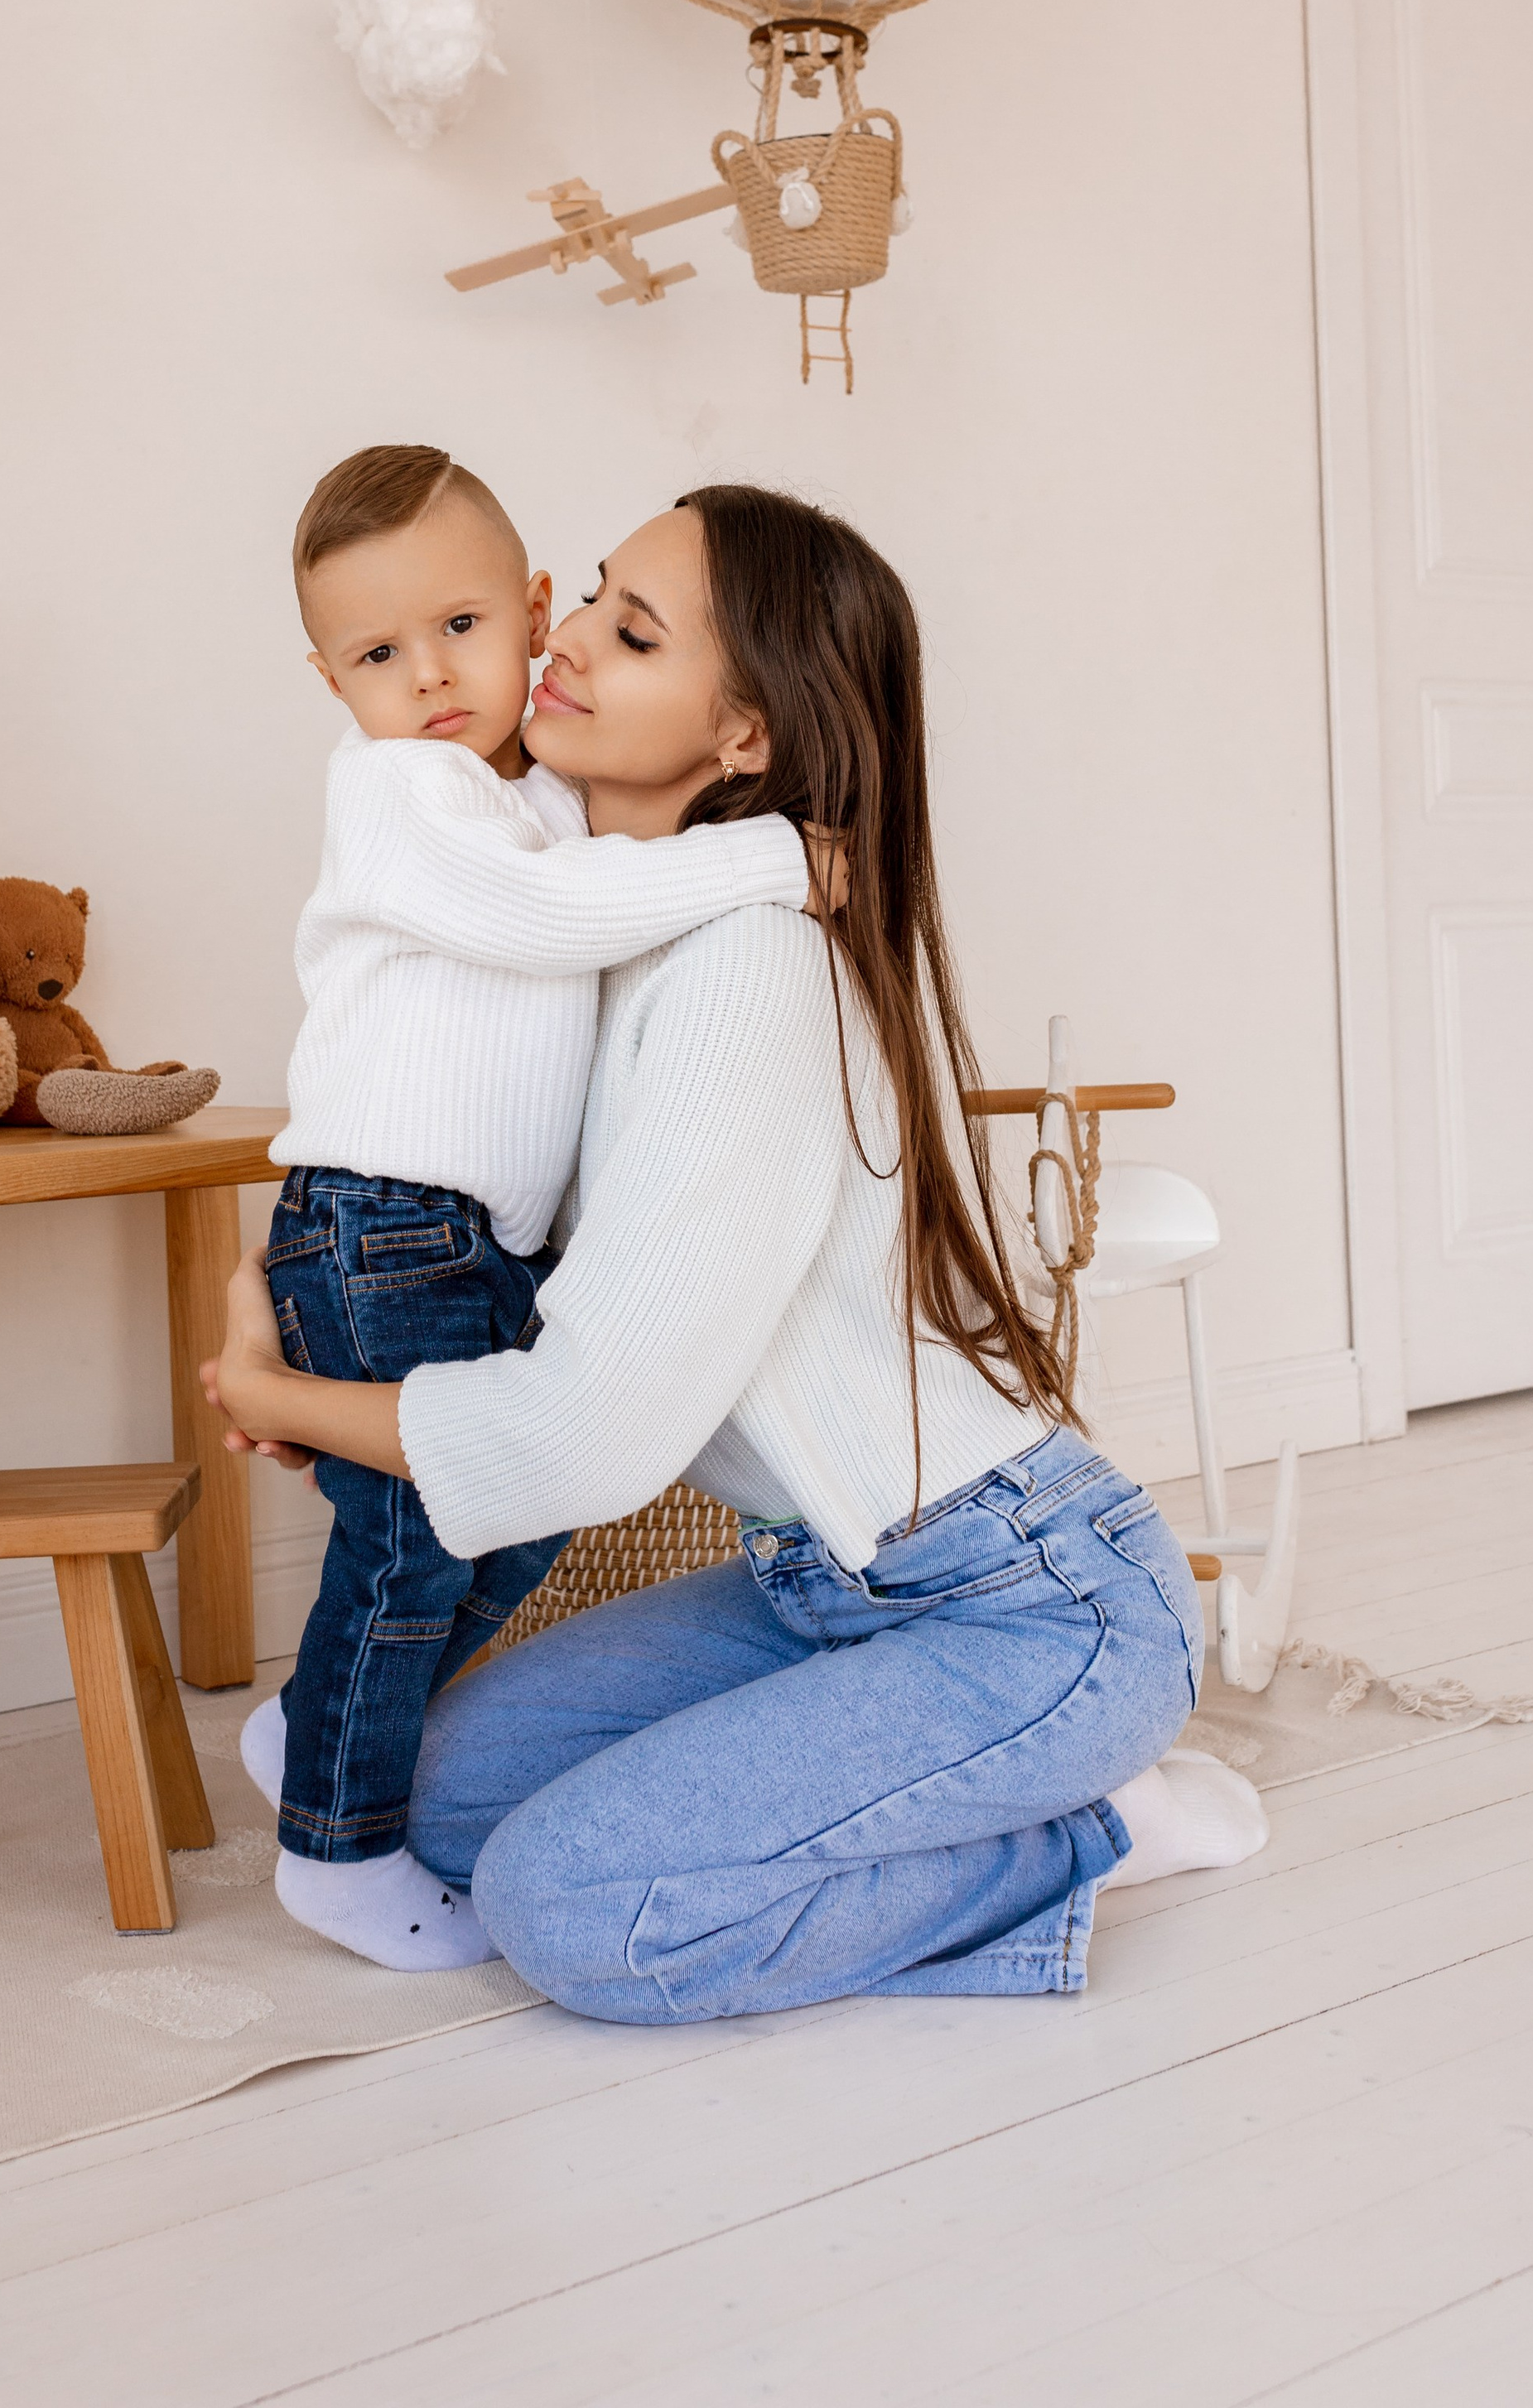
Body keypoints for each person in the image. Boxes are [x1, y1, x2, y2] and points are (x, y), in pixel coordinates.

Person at [210, 483, 1265, 2018]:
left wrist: (284, 1399)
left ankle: (1094, 1830)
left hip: (1023, 1597)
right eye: (589, 606)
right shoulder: (584, 939)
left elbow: (586, 1432)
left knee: (574, 1912)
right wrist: (346, 1365)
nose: (562, 644)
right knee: (436, 1800)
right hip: (816, 1579)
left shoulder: (743, 971)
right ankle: (919, 1780)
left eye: (630, 633)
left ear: (747, 737)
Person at [257, 445, 817, 1968]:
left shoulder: (544, 810)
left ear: (532, 609)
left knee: (511, 1515)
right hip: (379, 1220)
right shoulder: (401, 794)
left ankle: (312, 1738)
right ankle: (339, 1849)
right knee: (406, 1548)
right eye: (379, 655)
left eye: (460, 630)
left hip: (468, 1238)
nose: (431, 678)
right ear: (332, 684)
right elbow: (536, 922)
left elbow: (586, 908)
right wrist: (768, 854)